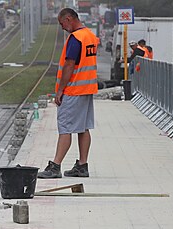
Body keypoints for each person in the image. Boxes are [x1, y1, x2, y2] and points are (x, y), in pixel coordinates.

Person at [38, 8, 98, 179]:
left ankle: (55, 166)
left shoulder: (75, 39)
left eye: (61, 23)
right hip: (87, 89)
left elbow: (69, 65)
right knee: (83, 128)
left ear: (69, 19)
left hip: (73, 89)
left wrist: (60, 90)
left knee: (65, 128)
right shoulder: (89, 36)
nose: (62, 27)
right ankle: (82, 165)